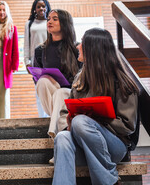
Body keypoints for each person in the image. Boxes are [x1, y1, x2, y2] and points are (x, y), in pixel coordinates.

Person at [52, 28, 139, 185]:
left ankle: (108, 181)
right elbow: (64, 113)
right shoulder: (80, 79)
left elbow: (128, 125)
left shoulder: (122, 83)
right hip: (85, 145)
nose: (78, 46)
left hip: (114, 146)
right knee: (62, 137)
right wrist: (69, 123)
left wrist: (97, 121)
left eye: (82, 43)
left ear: (93, 50)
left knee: (81, 122)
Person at [33, 9, 81, 138]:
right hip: (52, 97)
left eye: (55, 19)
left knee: (61, 92)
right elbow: (37, 78)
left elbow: (83, 78)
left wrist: (63, 83)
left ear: (65, 23)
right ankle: (60, 137)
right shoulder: (40, 50)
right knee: (42, 81)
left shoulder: (77, 48)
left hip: (71, 94)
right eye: (49, 19)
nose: (49, 21)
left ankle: (56, 138)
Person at [24, 0, 52, 118]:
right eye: (38, 7)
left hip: (51, 59)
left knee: (51, 88)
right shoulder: (29, 24)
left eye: (43, 6)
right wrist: (27, 61)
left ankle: (52, 116)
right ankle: (42, 117)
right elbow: (26, 44)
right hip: (36, 61)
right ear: (34, 9)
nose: (41, 9)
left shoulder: (50, 22)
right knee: (39, 89)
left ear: (47, 8)